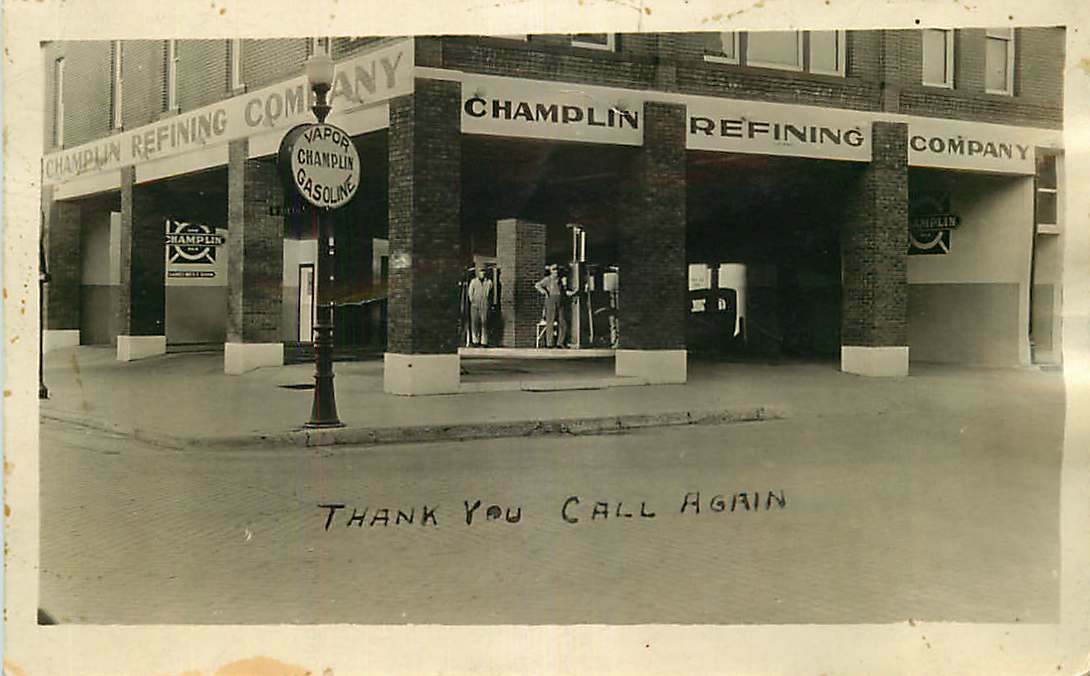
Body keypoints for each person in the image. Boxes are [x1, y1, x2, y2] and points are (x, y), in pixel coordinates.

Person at [535, 265, 570, 348]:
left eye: (557, 270)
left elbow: (564, 291)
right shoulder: (548, 279)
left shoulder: (561, 280)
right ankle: (549, 343)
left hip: (560, 301)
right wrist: (544, 292)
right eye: (554, 270)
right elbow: (537, 285)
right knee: (550, 322)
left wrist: (570, 292)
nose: (556, 272)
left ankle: (560, 342)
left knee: (563, 322)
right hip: (551, 300)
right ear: (551, 271)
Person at [468, 266, 493, 346]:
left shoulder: (489, 282)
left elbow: (490, 294)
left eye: (484, 272)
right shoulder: (473, 282)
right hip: (475, 303)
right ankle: (475, 340)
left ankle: (484, 341)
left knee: (484, 322)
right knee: (475, 322)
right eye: (481, 272)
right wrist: (473, 301)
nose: (482, 273)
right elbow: (470, 293)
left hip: (485, 304)